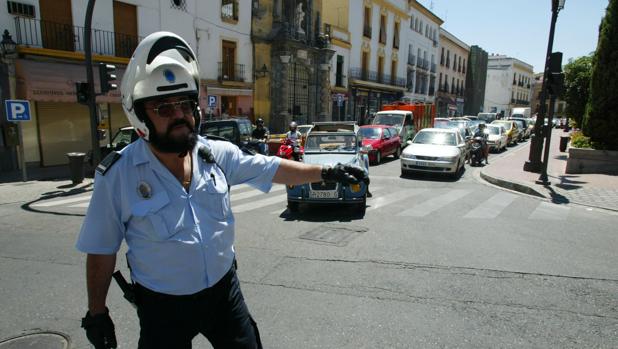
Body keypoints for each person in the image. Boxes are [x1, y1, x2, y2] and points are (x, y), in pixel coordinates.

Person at [76, 31, 367, 349]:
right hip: (162, 307)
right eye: (164, 108)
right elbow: (102, 249)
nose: (179, 116)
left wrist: (326, 171)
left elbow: (272, 169)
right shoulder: (117, 176)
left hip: (223, 294)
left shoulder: (215, 154)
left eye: (185, 105)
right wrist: (97, 312)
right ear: (140, 115)